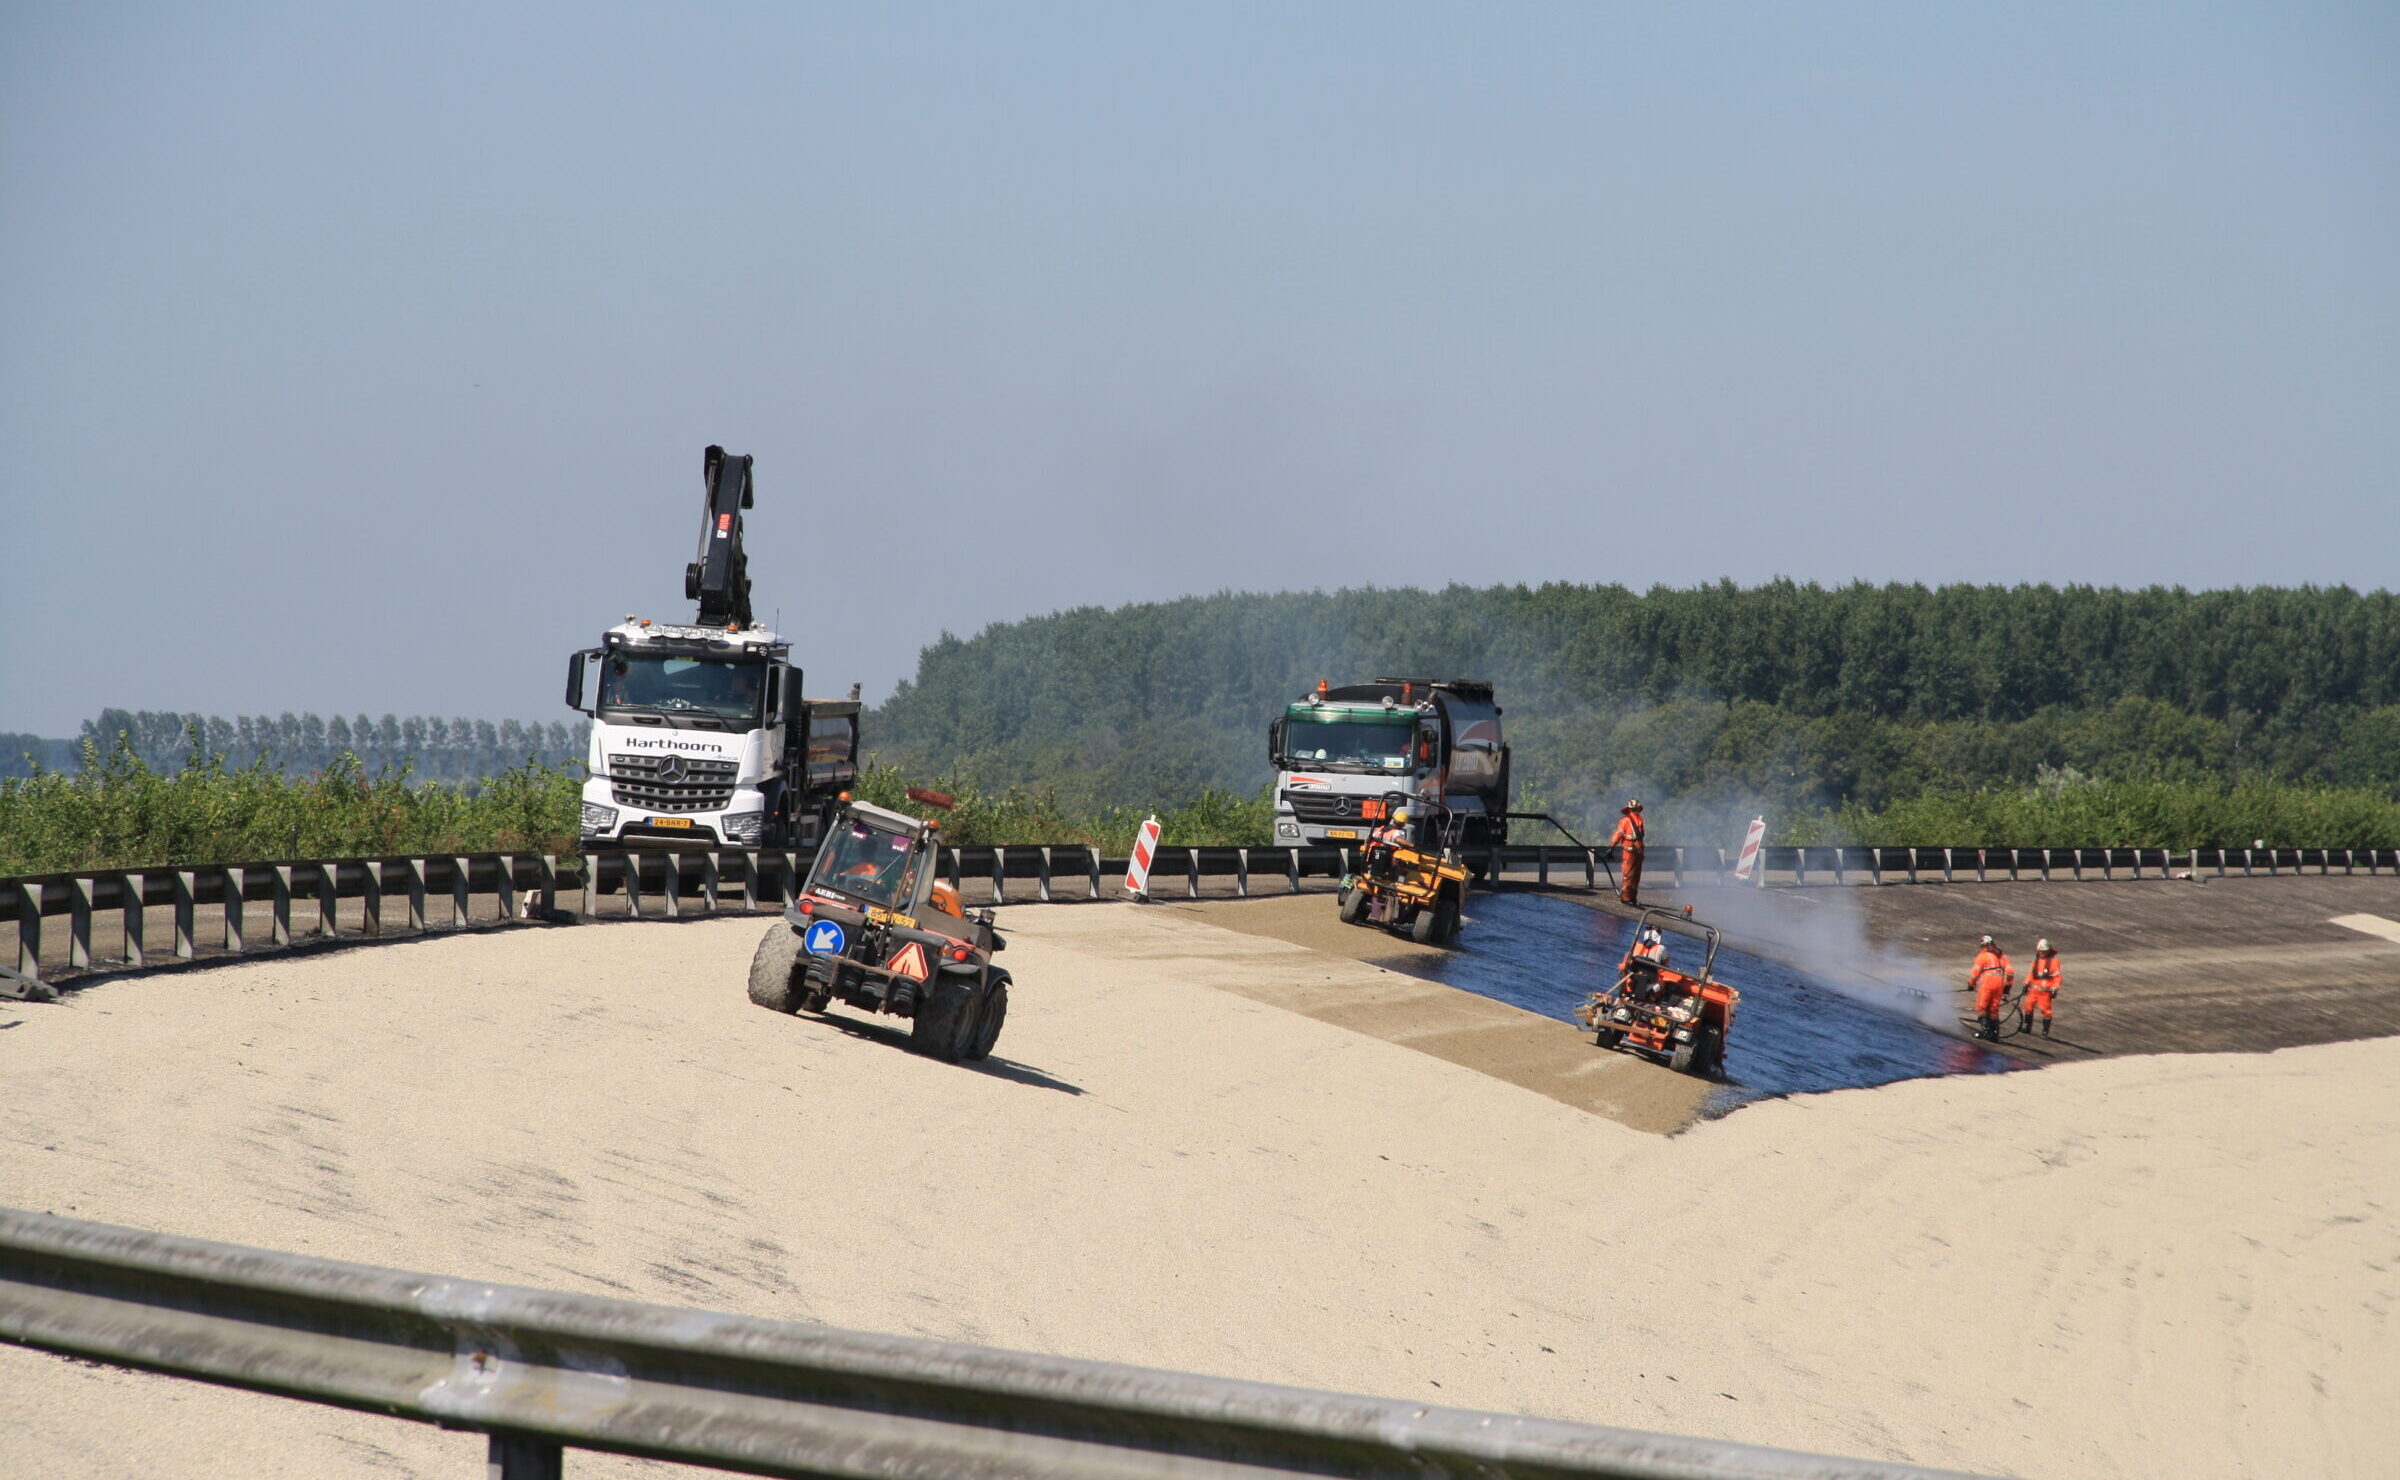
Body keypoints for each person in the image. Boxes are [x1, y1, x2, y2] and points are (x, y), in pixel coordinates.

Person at [1967, 934, 2014, 1041]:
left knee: (1981, 1007)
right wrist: (2007, 989)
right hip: (2000, 983)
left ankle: (1986, 1032)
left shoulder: (1982, 956)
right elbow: (2010, 973)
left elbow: (1975, 973)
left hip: (1988, 982)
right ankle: (1994, 1035)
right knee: (1993, 1009)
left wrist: (1971, 984)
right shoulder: (2003, 956)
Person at [2022, 939, 2062, 1036]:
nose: (2042, 953)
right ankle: (2027, 1027)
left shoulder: (2054, 962)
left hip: (2045, 991)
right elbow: (2031, 974)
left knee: (2046, 1011)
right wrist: (2026, 984)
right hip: (2034, 989)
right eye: (2040, 951)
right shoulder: (2036, 961)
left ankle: (2045, 1031)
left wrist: (2055, 987)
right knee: (2028, 1007)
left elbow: (2057, 977)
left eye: (2043, 951)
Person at [1611, 800, 1646, 904]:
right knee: (1628, 874)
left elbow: (1641, 838)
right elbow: (1619, 834)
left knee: (1636, 875)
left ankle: (1633, 897)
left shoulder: (1640, 821)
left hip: (1638, 851)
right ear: (1630, 809)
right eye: (1634, 809)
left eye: (1637, 809)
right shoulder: (1625, 820)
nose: (1636, 811)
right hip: (1629, 851)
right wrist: (1611, 847)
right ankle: (1626, 897)